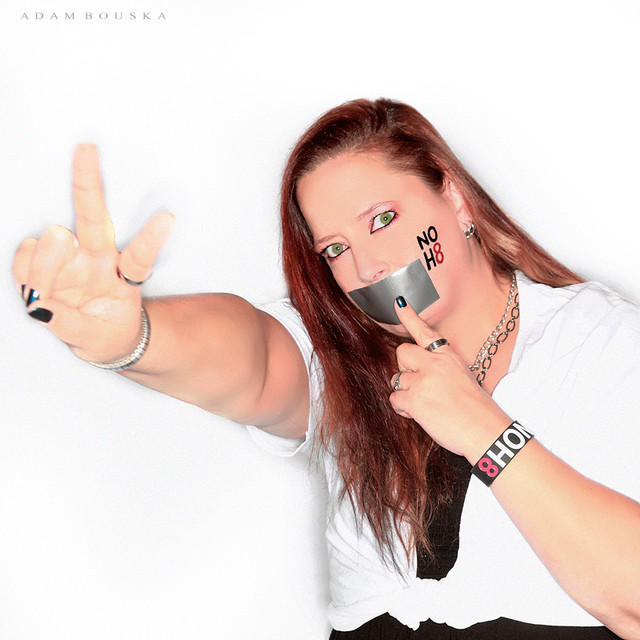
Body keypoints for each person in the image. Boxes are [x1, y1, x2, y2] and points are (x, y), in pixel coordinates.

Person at [13, 99, 640, 639]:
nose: (367, 267)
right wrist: (135, 336)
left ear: (453, 196)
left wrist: (484, 432)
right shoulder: (344, 357)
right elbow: (255, 360)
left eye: (382, 219)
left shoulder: (598, 343)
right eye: (335, 249)